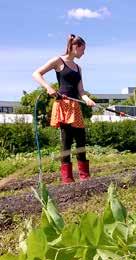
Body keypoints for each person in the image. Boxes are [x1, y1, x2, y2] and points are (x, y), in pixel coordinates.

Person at [32, 34, 96, 184]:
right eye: (83, 50)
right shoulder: (58, 61)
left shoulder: (78, 68)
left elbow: (81, 91)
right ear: (76, 47)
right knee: (66, 141)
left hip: (75, 106)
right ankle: (67, 178)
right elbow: (36, 73)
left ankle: (84, 176)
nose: (84, 53)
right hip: (63, 106)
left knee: (81, 140)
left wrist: (86, 99)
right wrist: (48, 87)